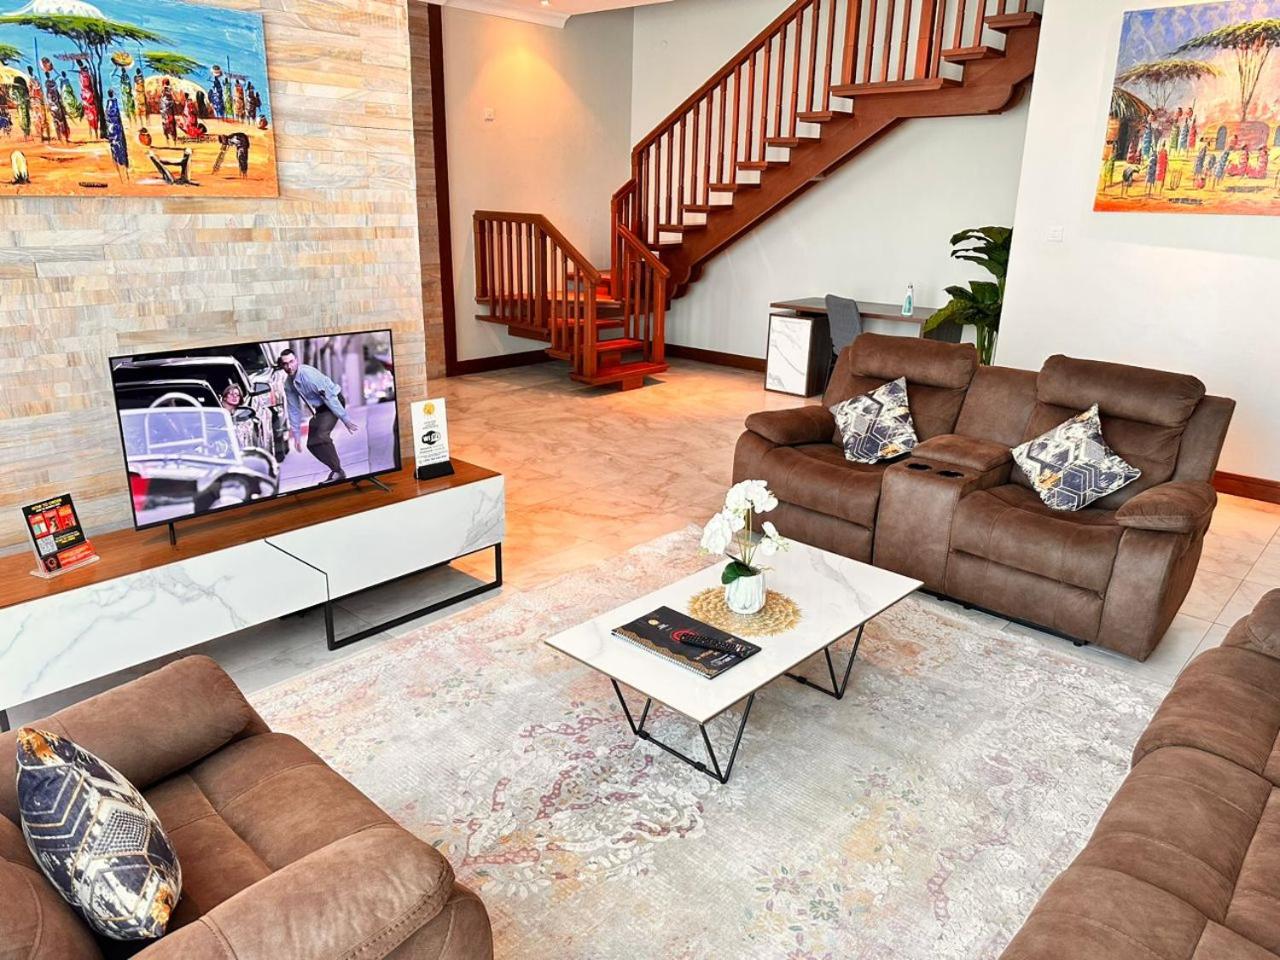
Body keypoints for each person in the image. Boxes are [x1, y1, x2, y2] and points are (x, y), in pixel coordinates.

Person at [278, 348, 359, 483]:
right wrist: (296, 435)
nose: (289, 366)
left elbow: (330, 398)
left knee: (321, 435)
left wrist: (345, 419)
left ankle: (338, 471)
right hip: (321, 409)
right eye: (285, 364)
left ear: (297, 360)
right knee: (312, 443)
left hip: (333, 401)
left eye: (291, 362)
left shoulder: (309, 376)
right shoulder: (288, 384)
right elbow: (294, 410)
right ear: (282, 366)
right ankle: (336, 470)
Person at [105, 88, 128, 181]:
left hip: (111, 128)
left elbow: (107, 117)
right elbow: (118, 116)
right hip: (117, 127)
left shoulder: (107, 105)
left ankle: (119, 168)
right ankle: (123, 169)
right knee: (120, 145)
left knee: (114, 146)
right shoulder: (114, 103)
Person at [44, 72, 69, 142]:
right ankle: (61, 137)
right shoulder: (51, 87)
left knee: (58, 121)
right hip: (54, 106)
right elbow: (53, 96)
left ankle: (62, 137)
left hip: (55, 106)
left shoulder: (49, 88)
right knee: (59, 121)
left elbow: (56, 96)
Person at [77, 61, 99, 136]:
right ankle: (94, 132)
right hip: (87, 94)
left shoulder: (82, 73)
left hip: (87, 94)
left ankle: (93, 132)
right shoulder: (85, 71)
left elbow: (84, 84)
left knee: (91, 114)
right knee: (91, 114)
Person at [27, 67, 48, 142]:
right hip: (33, 99)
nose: (29, 71)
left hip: (38, 98)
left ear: (32, 70)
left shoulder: (35, 78)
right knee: (35, 117)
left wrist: (40, 96)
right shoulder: (29, 79)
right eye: (28, 70)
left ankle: (42, 134)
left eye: (30, 70)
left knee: (40, 116)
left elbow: (39, 87)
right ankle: (39, 134)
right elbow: (29, 89)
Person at [158, 79, 177, 145]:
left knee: (166, 124)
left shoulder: (164, 90)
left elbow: (161, 98)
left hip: (165, 110)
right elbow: (174, 98)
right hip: (168, 110)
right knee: (171, 124)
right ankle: (173, 140)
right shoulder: (169, 89)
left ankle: (168, 140)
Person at [12, 74, 30, 139]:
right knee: (24, 117)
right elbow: (27, 97)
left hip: (21, 104)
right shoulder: (22, 88)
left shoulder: (15, 88)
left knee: (23, 117)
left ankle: (26, 132)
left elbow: (13, 97)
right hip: (22, 104)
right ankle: (26, 132)